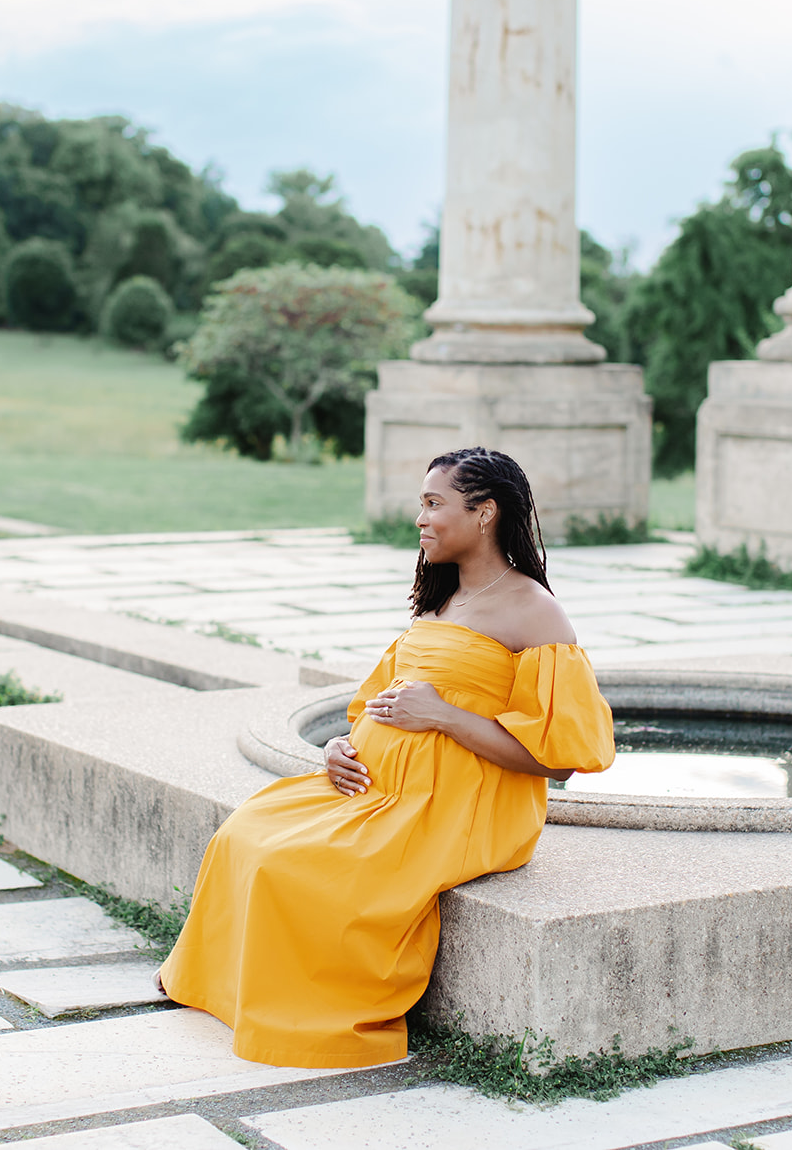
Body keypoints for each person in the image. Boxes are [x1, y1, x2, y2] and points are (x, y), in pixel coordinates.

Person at [156, 447, 615, 1068]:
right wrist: (339, 747)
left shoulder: (534, 611)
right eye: (420, 504)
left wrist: (446, 717)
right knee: (247, 832)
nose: (420, 519)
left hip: (459, 805)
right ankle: (220, 988)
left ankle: (299, 1014)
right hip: (377, 788)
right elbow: (373, 704)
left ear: (484, 513)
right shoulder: (439, 602)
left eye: (434, 504)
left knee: (289, 864)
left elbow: (559, 760)